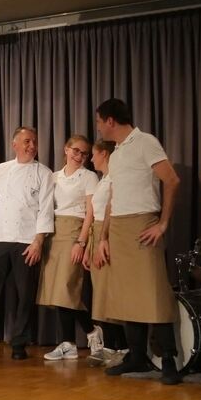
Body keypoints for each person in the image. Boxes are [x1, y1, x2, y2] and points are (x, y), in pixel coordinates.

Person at [93, 99, 183, 385]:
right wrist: (104, 236)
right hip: (118, 226)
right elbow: (113, 199)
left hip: (143, 223)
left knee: (152, 291)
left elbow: (172, 180)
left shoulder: (145, 142)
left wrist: (163, 223)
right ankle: (136, 355)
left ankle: (167, 358)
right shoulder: (116, 154)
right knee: (126, 294)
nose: (98, 127)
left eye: (99, 121)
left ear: (110, 120)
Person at [0, 127, 55, 361]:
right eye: (27, 141)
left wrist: (38, 242)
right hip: (0, 238)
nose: (32, 146)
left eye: (34, 141)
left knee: (25, 295)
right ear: (14, 144)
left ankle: (19, 344)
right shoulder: (0, 170)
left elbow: (46, 209)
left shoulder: (44, 173)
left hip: (27, 241)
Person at [40, 135, 98, 361]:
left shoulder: (89, 177)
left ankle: (91, 331)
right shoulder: (53, 177)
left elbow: (90, 213)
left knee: (66, 288)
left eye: (84, 153)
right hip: (54, 233)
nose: (79, 156)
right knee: (57, 292)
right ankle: (69, 343)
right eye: (76, 151)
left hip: (74, 230)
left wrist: (81, 242)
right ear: (66, 149)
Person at [81, 140, 127, 365]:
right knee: (100, 294)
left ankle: (120, 346)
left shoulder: (114, 180)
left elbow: (111, 211)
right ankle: (110, 345)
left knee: (110, 293)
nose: (91, 159)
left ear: (105, 154)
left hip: (106, 235)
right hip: (95, 233)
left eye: (94, 155)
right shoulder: (102, 180)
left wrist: (103, 239)